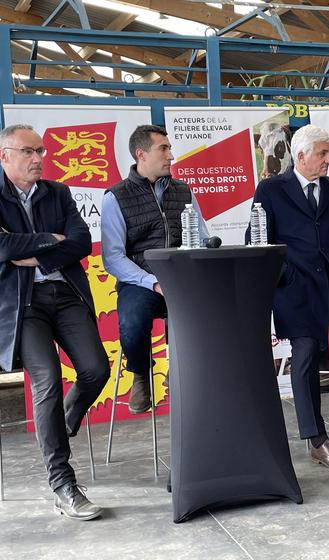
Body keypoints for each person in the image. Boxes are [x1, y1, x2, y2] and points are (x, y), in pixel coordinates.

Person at [0, 124, 109, 520]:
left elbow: (81, 242)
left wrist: (35, 252)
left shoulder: (58, 192)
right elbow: (1, 247)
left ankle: (62, 423)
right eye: (29, 152)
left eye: (41, 151)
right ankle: (63, 483)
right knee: (46, 379)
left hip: (65, 296)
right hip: (22, 304)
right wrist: (52, 239)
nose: (38, 159)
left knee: (97, 369)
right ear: (5, 155)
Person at [247, 124, 329, 469]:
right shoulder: (271, 190)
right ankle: (317, 441)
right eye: (323, 153)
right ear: (301, 156)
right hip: (296, 290)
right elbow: (257, 240)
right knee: (304, 358)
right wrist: (285, 276)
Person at [102, 125, 207, 414]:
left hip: (182, 278)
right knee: (132, 322)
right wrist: (152, 282)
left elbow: (200, 235)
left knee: (201, 318)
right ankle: (140, 373)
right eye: (163, 149)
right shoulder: (116, 196)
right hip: (140, 281)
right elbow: (112, 257)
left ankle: (183, 375)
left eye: (170, 148)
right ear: (141, 154)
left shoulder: (183, 190)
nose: (171, 155)